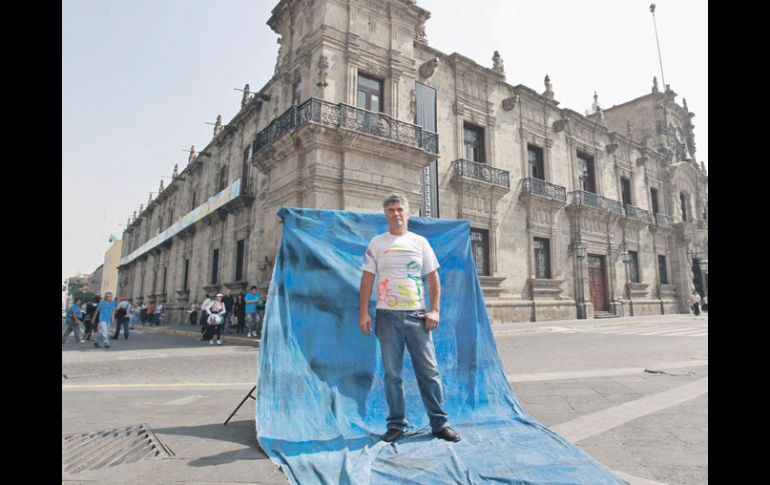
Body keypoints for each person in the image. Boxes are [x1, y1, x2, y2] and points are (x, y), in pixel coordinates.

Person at [359, 193, 460, 443]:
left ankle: (440, 423)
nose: (396, 213)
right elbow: (367, 279)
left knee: (429, 372)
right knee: (392, 375)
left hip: (417, 316)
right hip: (386, 317)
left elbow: (434, 279)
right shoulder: (377, 243)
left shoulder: (420, 242)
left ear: (408, 212)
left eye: (400, 209)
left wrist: (435, 310)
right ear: (386, 214)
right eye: (391, 209)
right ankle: (396, 425)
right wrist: (363, 312)